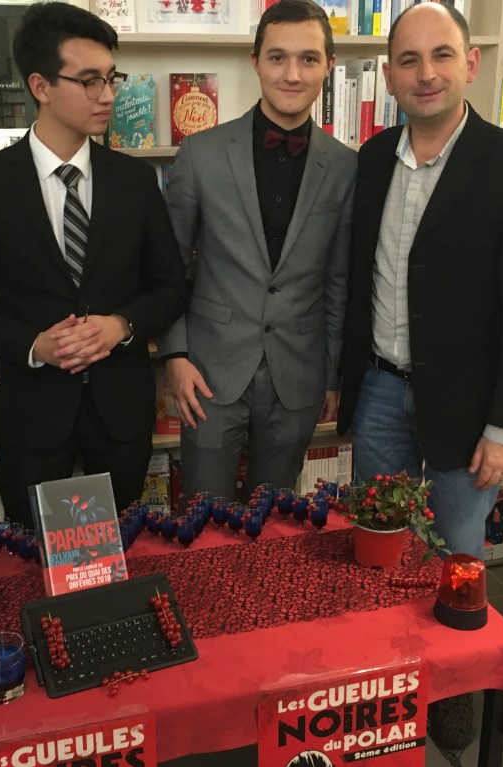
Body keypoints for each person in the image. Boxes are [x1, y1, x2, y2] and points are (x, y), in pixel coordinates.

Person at [0, 2, 188, 529]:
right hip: (31, 414)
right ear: (41, 86)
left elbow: (170, 286)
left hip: (120, 413)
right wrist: (33, 346)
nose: (108, 95)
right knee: (33, 551)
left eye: (112, 79)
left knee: (118, 545)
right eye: (90, 80)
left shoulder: (135, 182)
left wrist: (121, 325)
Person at [336, 2, 503, 561]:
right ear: (389, 76)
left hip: (470, 407)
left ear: (472, 63)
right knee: (378, 552)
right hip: (379, 393)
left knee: (453, 559)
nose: (426, 74)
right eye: (409, 60)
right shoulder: (370, 160)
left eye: (442, 55)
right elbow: (360, 276)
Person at [157, 0, 355, 503]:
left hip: (299, 375)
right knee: (204, 519)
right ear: (255, 61)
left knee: (275, 521)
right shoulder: (200, 153)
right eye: (277, 57)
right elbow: (168, 266)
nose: (292, 74)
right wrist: (174, 356)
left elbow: (338, 279)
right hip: (209, 372)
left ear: (329, 66)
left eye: (309, 59)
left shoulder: (346, 166)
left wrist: (332, 375)